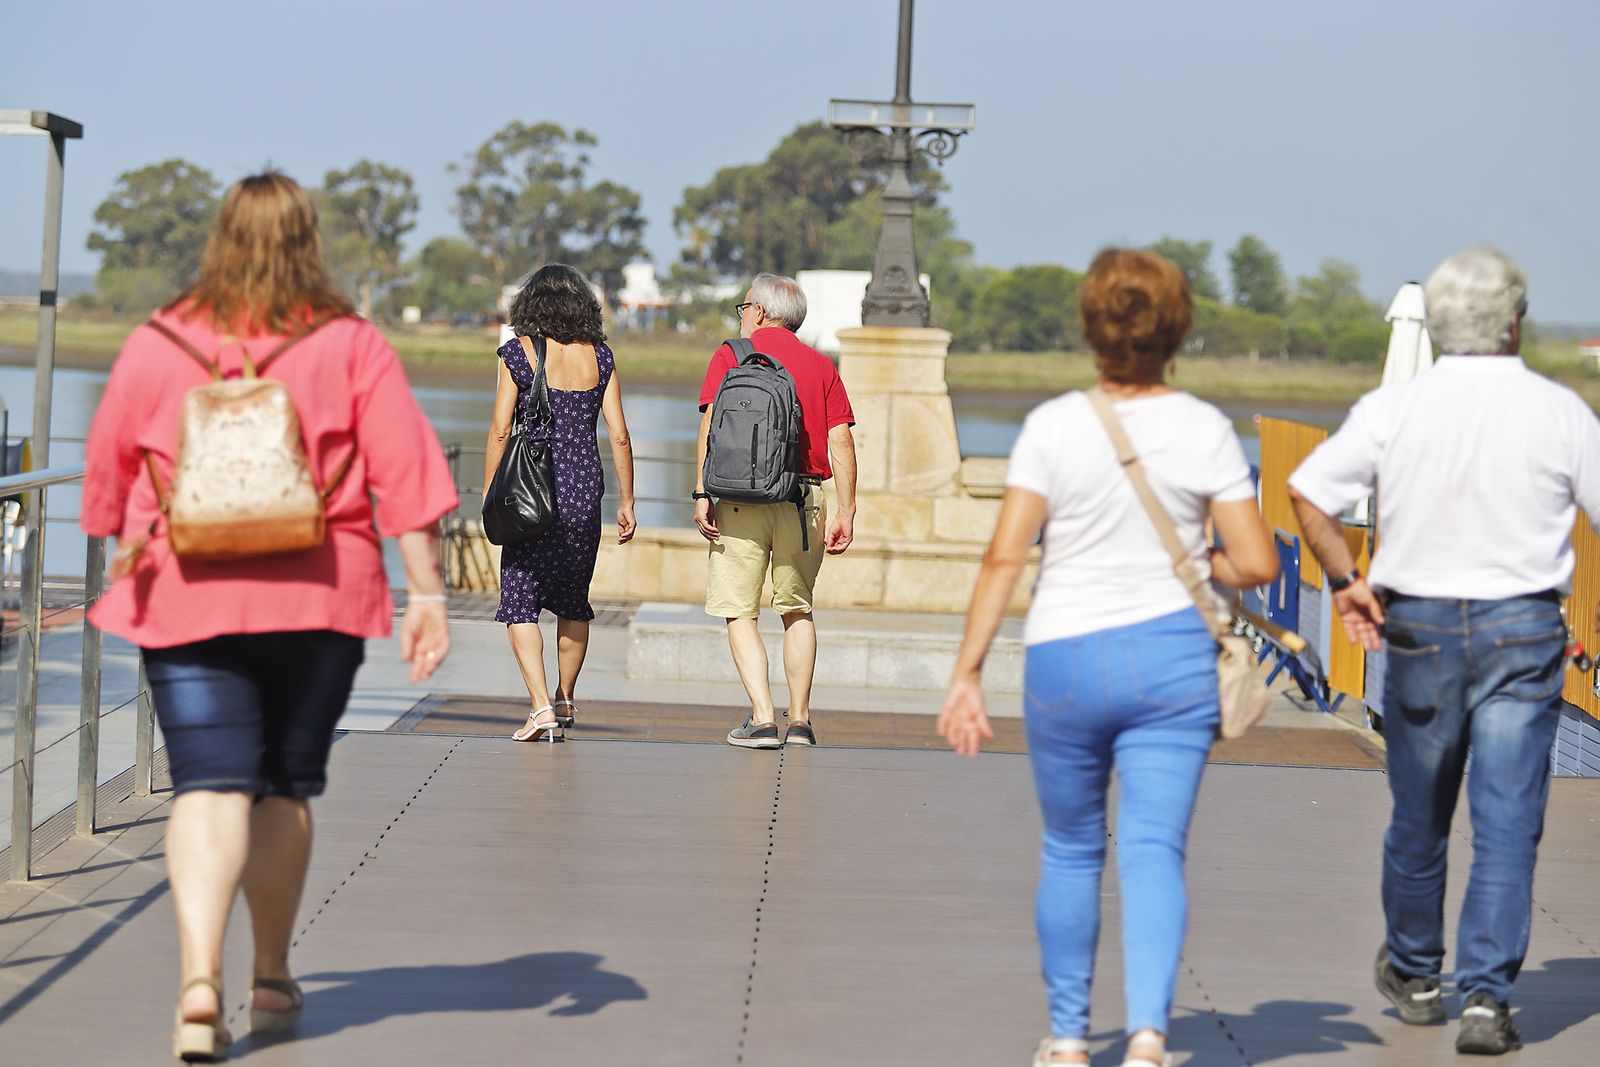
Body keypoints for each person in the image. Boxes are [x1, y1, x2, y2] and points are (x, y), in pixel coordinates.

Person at [80, 172, 457, 1062]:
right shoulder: (351, 343)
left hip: (184, 595)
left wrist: (121, 547)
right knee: (283, 787)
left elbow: (105, 476)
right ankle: (272, 974)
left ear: (219, 238)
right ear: (308, 241)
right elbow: (406, 477)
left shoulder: (157, 341)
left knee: (208, 783)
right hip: (317, 597)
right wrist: (429, 596)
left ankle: (197, 986)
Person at [936, 249, 1278, 1067]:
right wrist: (1201, 561)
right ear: (1177, 332)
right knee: (1154, 849)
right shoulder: (1205, 428)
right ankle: (1149, 1038)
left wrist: (967, 672)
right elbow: (1257, 561)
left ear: (1091, 329)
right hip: (1172, 660)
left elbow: (1004, 557)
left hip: (1067, 658)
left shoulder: (1053, 426)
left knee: (1071, 848)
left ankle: (1067, 1039)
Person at [1288, 246, 1599, 1056]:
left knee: (1420, 812)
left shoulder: (1396, 407)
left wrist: (1346, 580)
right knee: (1507, 820)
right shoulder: (1561, 412)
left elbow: (1308, 491)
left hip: (1418, 627)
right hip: (1524, 631)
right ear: (1514, 322)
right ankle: (1488, 1000)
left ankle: (1417, 971)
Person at [693, 273, 856, 749]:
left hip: (739, 499)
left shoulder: (731, 356)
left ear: (760, 312)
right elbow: (841, 440)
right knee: (797, 609)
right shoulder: (822, 366)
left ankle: (763, 719)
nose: (742, 315)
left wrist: (701, 492)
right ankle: (800, 721)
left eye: (743, 307)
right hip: (803, 499)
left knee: (738, 611)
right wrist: (846, 509)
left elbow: (710, 427)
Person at [486, 263, 636, 743]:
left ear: (530, 304)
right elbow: (619, 434)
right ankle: (565, 697)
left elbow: (500, 430)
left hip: (531, 492)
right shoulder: (602, 357)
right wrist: (627, 501)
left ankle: (540, 708)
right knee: (573, 599)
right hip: (584, 490)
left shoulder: (518, 353)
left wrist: (491, 495)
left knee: (519, 600)